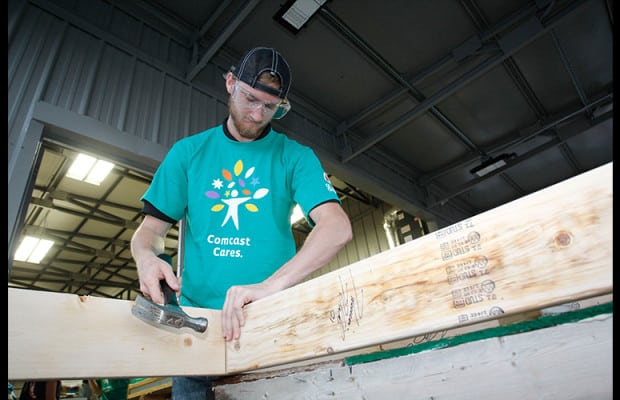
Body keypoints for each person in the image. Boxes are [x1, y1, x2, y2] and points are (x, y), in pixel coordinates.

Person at [130, 46, 353, 399]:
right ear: (231, 83)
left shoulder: (294, 157)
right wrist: (147, 259)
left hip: (270, 324)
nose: (257, 114)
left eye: (270, 106)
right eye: (250, 99)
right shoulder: (189, 153)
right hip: (197, 329)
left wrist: (270, 287)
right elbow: (149, 235)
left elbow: (337, 227)